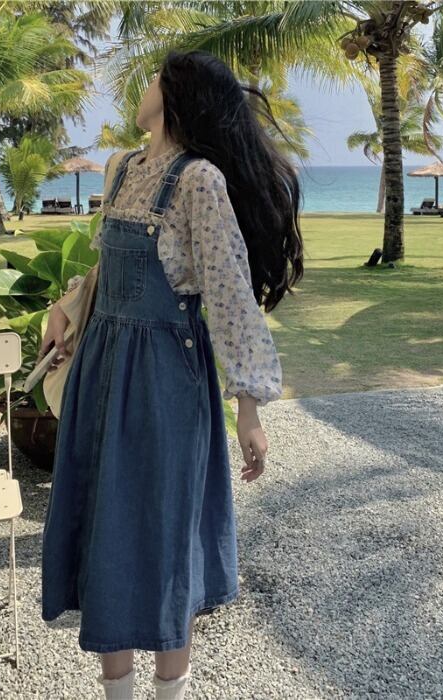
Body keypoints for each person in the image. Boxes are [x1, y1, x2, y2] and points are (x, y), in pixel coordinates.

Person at [38, 49, 304, 700]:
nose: (146, 84)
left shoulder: (199, 182)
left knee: (164, 535)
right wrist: (66, 307)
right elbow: (108, 268)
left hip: (165, 381)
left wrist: (248, 410)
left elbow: (230, 294)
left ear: (177, 96)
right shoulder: (121, 167)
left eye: (156, 77)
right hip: (102, 372)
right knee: (105, 532)